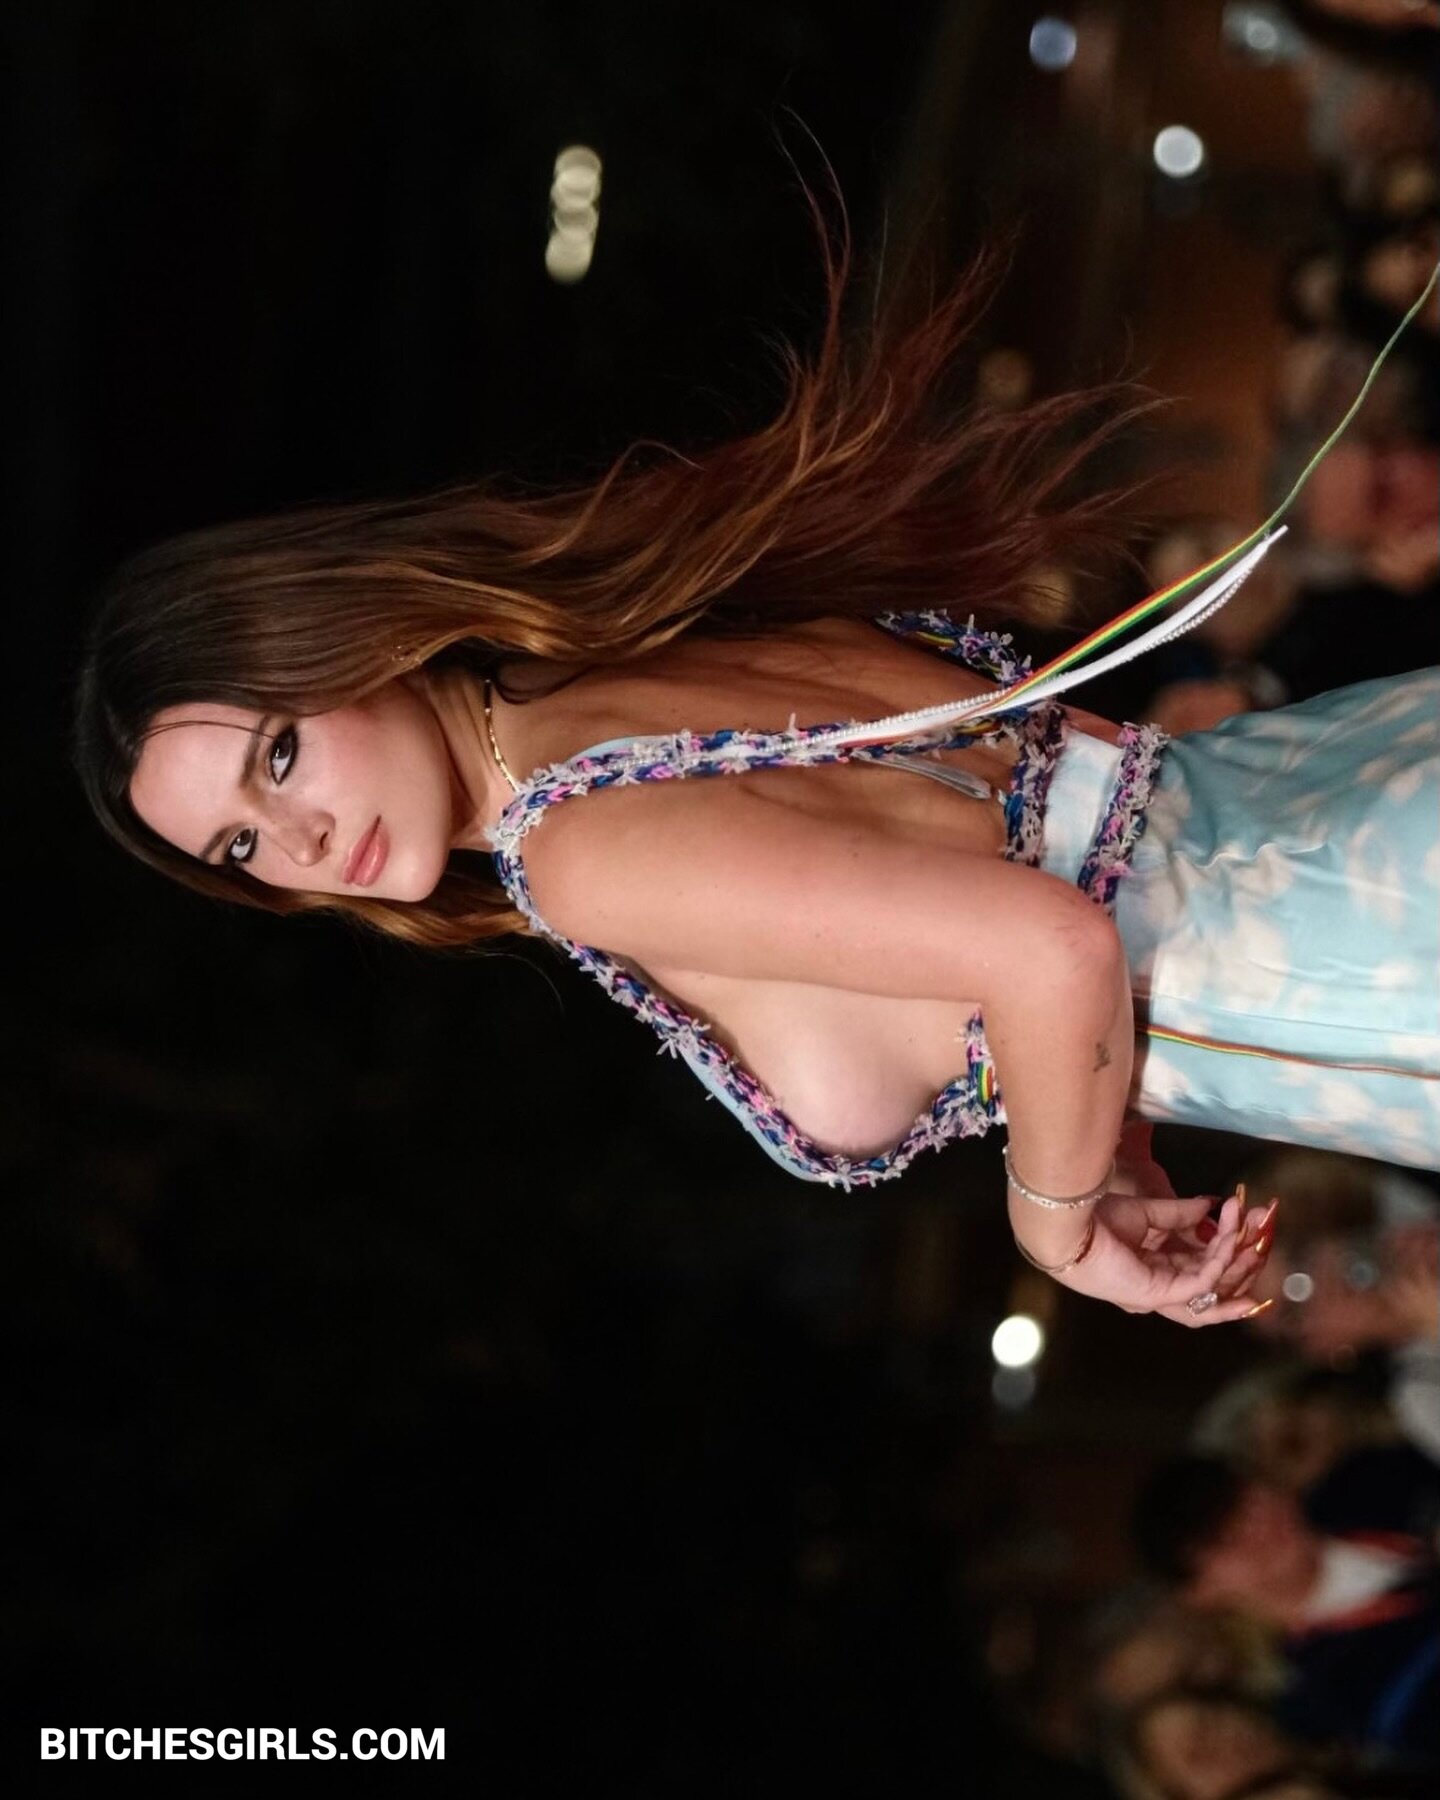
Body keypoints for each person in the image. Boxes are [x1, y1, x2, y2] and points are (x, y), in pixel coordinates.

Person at [72, 231, 1440, 1329]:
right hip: (1332, 807)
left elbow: (1052, 943)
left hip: (1354, 959)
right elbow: (1057, 842)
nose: (303, 839)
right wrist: (1104, 1138)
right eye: (243, 849)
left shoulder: (576, 849)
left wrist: (1059, 1230)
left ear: (340, 636)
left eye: (278, 755)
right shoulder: (611, 647)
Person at [1132, 1455, 1440, 1766]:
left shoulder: (1372, 1480)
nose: (1255, 1529)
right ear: (1201, 1592)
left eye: (1244, 1502)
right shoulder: (1340, 1691)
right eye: (1223, 1541)